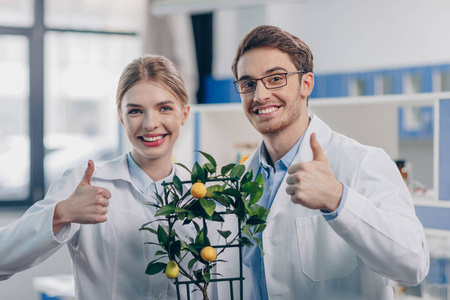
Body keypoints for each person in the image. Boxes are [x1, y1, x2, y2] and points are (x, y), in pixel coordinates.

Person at [231, 25, 430, 300]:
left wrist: (338, 200)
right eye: (248, 83)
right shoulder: (240, 182)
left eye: (275, 78)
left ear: (306, 84)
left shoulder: (361, 162)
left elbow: (413, 265)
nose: (260, 95)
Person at [0, 54, 200, 299]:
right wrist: (61, 213)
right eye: (136, 111)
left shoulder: (203, 195)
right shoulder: (83, 185)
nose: (150, 123)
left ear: (184, 113)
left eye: (165, 108)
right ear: (121, 117)